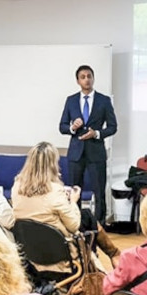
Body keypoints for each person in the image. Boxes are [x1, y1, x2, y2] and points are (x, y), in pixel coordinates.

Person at [11, 141, 120, 271]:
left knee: (86, 216)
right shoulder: (55, 191)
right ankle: (113, 254)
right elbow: (74, 225)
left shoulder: (17, 186)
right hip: (58, 253)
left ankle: (112, 254)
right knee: (87, 219)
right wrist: (73, 200)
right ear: (52, 164)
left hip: (31, 249)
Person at [58, 65, 117, 224]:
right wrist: (72, 127)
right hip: (76, 154)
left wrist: (96, 133)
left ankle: (99, 226)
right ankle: (76, 224)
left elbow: (113, 127)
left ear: (93, 78)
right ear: (78, 81)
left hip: (96, 152)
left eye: (89, 76)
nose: (87, 80)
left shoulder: (104, 100)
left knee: (99, 192)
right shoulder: (71, 100)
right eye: (83, 77)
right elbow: (62, 126)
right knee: (75, 192)